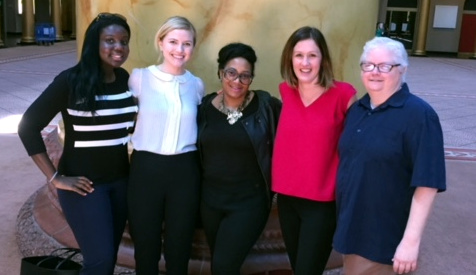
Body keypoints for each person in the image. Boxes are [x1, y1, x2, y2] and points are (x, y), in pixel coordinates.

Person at [18, 13, 135, 274]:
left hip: (119, 183)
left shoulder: (124, 79)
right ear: (94, 44)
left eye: (124, 41)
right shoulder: (70, 81)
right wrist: (55, 178)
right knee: (100, 261)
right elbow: (28, 126)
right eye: (110, 40)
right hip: (83, 188)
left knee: (106, 258)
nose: (119, 47)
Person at [333, 37, 446, 275]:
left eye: (385, 66)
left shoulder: (419, 116)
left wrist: (410, 242)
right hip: (353, 232)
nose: (375, 72)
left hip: (384, 242)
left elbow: (427, 184)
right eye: (369, 65)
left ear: (402, 69)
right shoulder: (358, 110)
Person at [271, 26, 357, 274]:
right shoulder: (286, 91)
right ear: (290, 58)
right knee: (298, 266)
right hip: (287, 199)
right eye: (299, 55)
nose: (305, 62)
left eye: (312, 55)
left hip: (322, 202)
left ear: (324, 59)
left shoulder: (343, 95)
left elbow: (359, 144)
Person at [127, 16, 204, 275]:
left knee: (179, 247)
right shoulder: (139, 79)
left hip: (184, 170)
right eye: (173, 41)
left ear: (193, 47)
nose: (179, 50)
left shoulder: (196, 85)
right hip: (146, 168)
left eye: (186, 44)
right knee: (145, 246)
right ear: (161, 42)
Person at [197, 42, 281, 275]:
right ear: (220, 73)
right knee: (223, 265)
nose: (237, 81)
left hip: (249, 202)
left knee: (223, 266)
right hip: (211, 202)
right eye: (231, 73)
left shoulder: (267, 106)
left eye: (245, 76)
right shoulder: (204, 107)